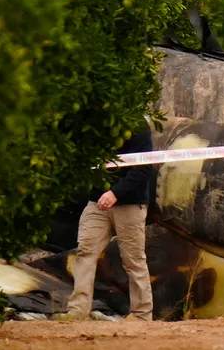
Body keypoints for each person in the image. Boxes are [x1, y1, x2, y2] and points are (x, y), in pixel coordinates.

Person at [54, 125, 154, 321]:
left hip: (130, 204)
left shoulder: (138, 126)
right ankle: (78, 311)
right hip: (97, 203)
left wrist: (116, 193)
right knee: (85, 251)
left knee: (133, 260)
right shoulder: (97, 123)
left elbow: (143, 168)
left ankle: (142, 315)